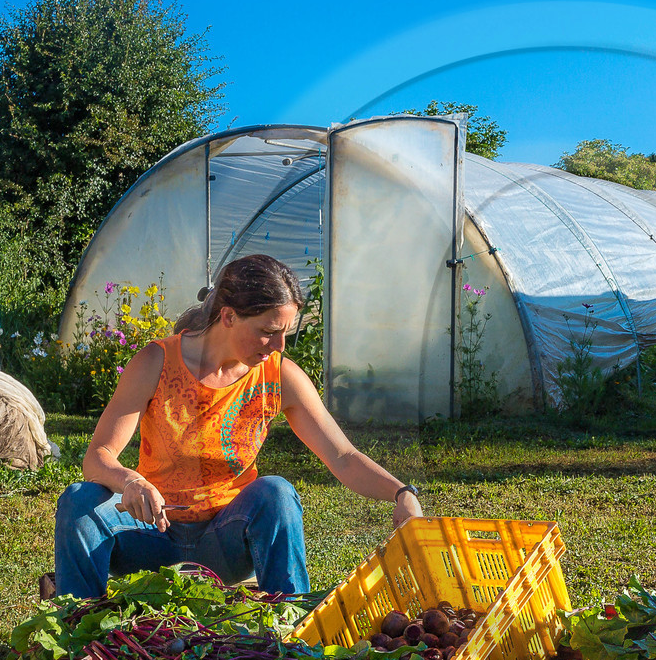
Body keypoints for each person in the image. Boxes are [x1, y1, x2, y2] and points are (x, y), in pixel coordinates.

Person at [53, 254, 422, 599]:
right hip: (151, 536)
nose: (278, 346)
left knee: (276, 492)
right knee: (79, 500)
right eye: (268, 331)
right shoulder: (155, 362)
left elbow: (342, 456)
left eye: (285, 334)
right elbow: (98, 457)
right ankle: (77, 634)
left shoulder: (280, 376)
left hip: (226, 542)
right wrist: (130, 482)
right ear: (228, 317)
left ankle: (291, 632)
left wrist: (401, 492)